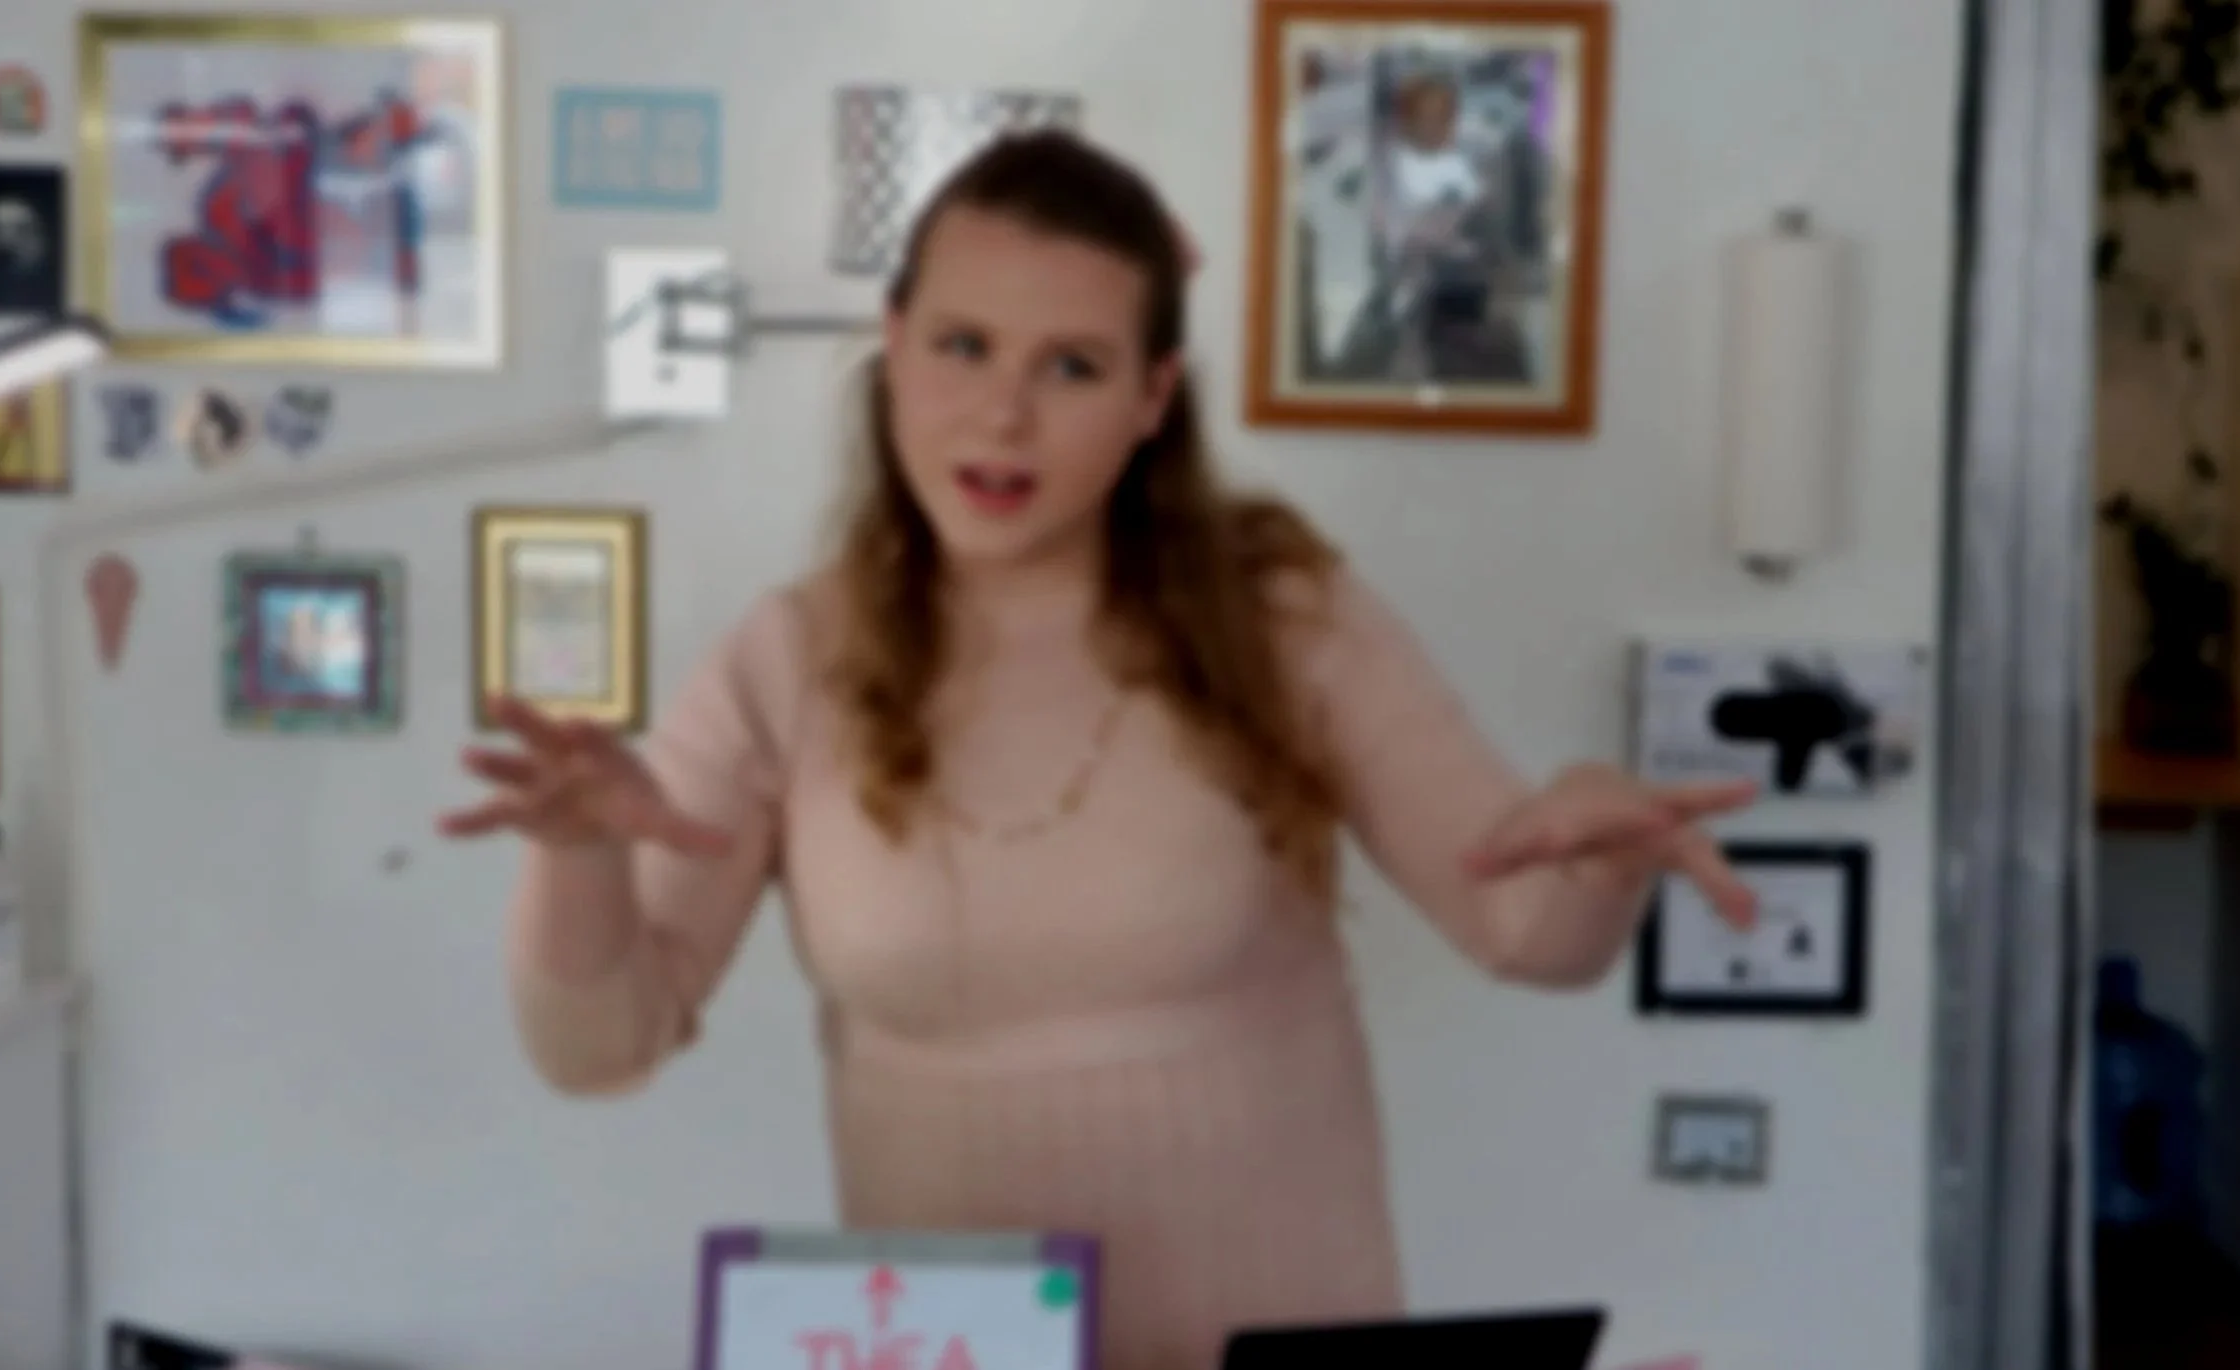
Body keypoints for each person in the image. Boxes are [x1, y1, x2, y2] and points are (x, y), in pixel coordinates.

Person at [438, 129, 1759, 1370]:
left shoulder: (1284, 617)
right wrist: (579, 856)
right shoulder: (785, 659)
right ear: (893, 346)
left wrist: (1596, 848)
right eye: (963, 346)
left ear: (1151, 396)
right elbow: (596, 1049)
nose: (1003, 416)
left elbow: (1525, 932)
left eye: (1071, 366)